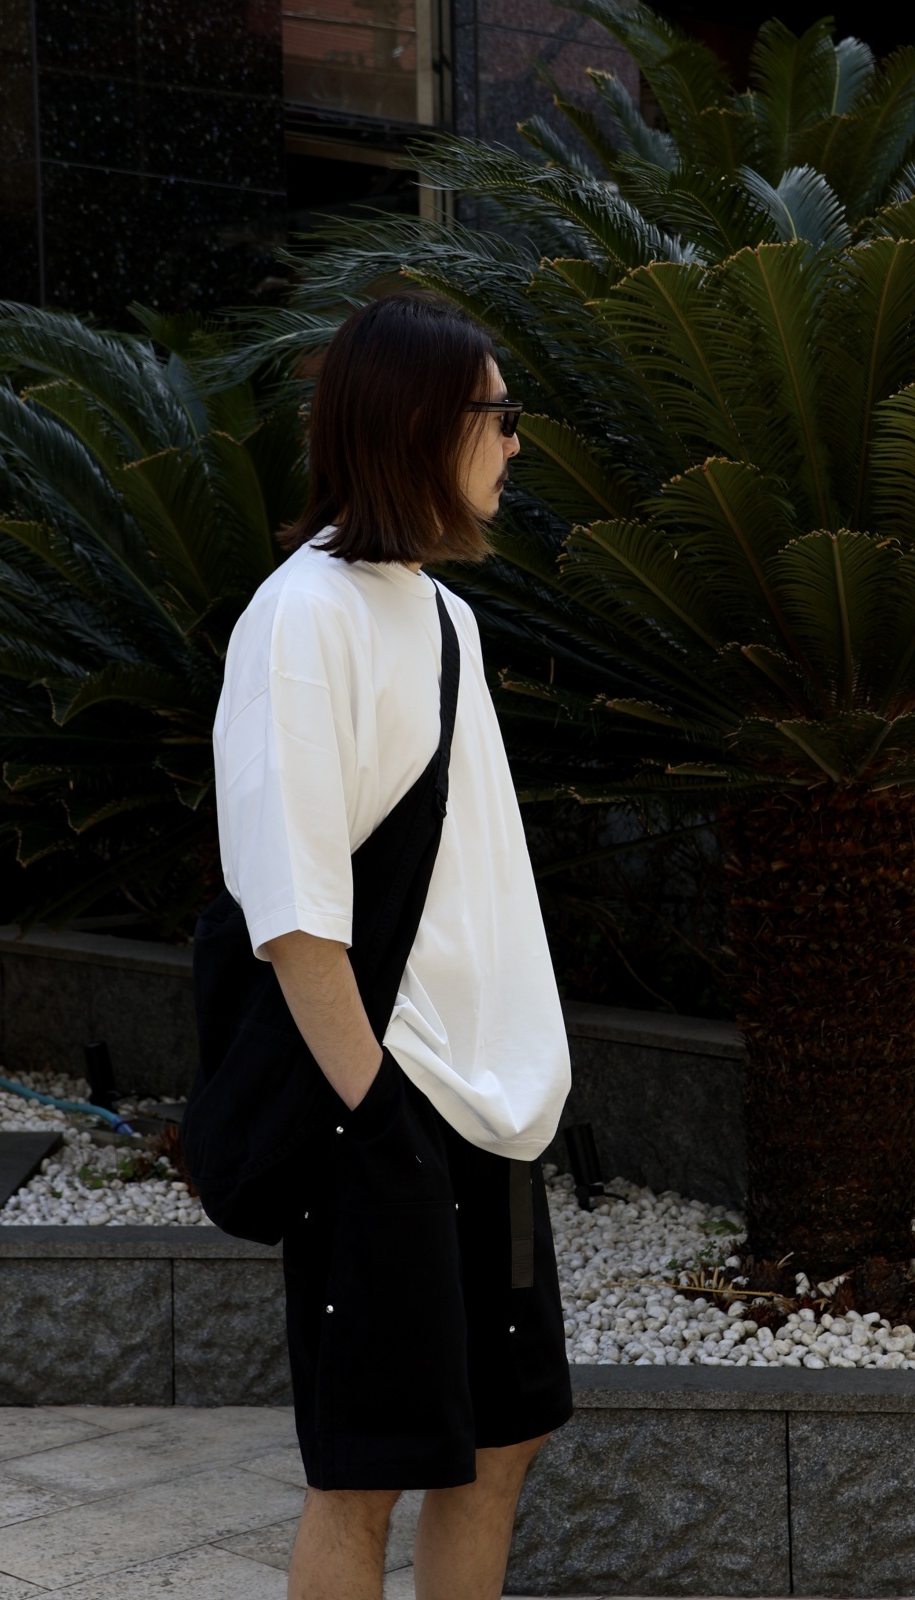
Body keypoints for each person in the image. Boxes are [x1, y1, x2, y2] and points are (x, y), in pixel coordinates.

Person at [212, 292, 572, 1600]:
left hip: (490, 1108)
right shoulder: (299, 618)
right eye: (499, 415)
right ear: (423, 424)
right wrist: (375, 1120)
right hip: (384, 1106)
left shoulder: (442, 618)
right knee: (362, 1471)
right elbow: (293, 914)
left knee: (499, 1443)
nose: (515, 443)